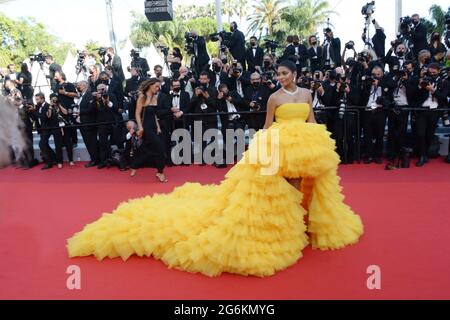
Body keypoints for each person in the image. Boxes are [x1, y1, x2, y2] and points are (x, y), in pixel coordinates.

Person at [67, 60, 363, 278]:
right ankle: (291, 226)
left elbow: (311, 120)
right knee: (286, 183)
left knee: (309, 182)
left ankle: (307, 221)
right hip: (280, 143)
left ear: (295, 75)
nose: (281, 77)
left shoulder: (307, 95)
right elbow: (267, 125)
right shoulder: (274, 98)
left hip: (307, 143)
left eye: (285, 73)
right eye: (279, 74)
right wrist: (266, 147)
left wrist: (319, 143)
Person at [128, 78, 167, 182]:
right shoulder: (142, 97)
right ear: (150, 85)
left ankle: (134, 165)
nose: (158, 88)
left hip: (154, 127)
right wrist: (140, 127)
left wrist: (158, 127)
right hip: (146, 127)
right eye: (156, 86)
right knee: (160, 148)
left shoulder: (155, 97)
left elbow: (153, 114)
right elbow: (137, 114)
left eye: (159, 87)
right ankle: (160, 172)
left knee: (147, 149)